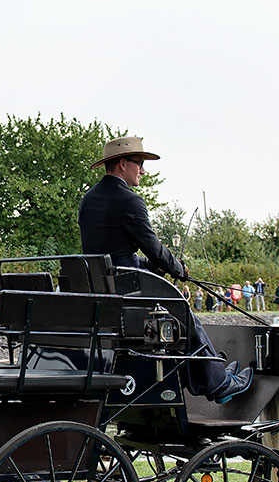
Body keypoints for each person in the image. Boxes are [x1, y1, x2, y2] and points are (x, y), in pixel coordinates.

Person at [78, 136, 252, 402]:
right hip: (128, 292)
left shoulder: (88, 200)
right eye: (139, 164)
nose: (143, 170)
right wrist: (177, 268)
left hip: (105, 289)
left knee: (178, 312)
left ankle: (208, 374)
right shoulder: (129, 200)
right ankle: (218, 384)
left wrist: (154, 267)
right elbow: (152, 247)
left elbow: (115, 253)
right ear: (123, 164)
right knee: (183, 311)